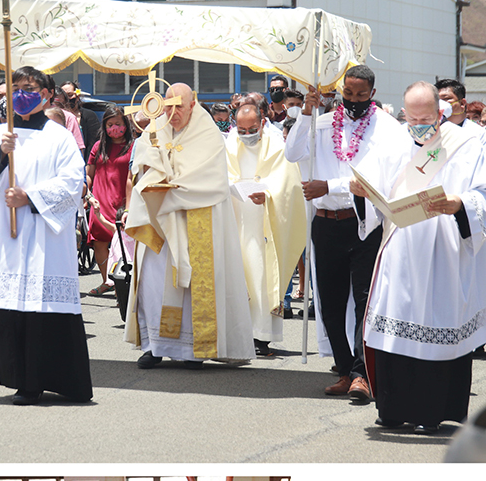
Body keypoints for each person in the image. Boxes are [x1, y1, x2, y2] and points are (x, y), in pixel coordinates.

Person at [0, 65, 92, 406]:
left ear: (47, 95)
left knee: (40, 313)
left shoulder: (58, 136)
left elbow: (71, 183)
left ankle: (55, 381)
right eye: (16, 87)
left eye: (30, 88)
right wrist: (1, 157)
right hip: (5, 235)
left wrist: (30, 198)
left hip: (42, 237)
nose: (22, 94)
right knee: (11, 313)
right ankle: (21, 381)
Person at [359, 81, 486, 432]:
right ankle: (393, 409)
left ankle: (434, 412)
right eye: (412, 118)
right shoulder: (394, 140)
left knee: (439, 323)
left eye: (426, 118)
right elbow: (373, 185)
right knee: (397, 325)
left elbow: (482, 192)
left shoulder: (465, 143)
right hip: (401, 248)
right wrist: (361, 190)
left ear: (440, 112)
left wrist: (459, 204)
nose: (419, 126)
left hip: (445, 248)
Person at [284, 64, 406, 400]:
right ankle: (343, 368)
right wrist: (307, 112)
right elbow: (292, 153)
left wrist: (330, 184)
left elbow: (374, 183)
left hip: (364, 223)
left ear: (373, 94)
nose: (353, 100)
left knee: (365, 302)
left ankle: (362, 374)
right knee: (331, 303)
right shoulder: (322, 123)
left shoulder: (389, 130)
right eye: (348, 94)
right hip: (325, 222)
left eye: (361, 95)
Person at [124, 82, 254, 368]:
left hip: (195, 219)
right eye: (167, 107)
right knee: (154, 284)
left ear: (192, 104)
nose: (172, 113)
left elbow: (212, 182)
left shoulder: (208, 134)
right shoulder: (153, 130)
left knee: (191, 287)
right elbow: (140, 168)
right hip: (159, 222)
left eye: (178, 107)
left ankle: (195, 349)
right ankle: (155, 346)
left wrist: (170, 187)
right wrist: (153, 170)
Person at [226, 103, 306, 356]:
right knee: (237, 277)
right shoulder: (228, 146)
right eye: (241, 129)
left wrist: (269, 196)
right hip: (236, 219)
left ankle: (261, 337)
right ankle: (237, 334)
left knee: (261, 277)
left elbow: (289, 187)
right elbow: (221, 175)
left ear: (262, 124)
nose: (246, 134)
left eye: (251, 128)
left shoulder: (279, 148)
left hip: (264, 226)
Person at [85, 104, 133, 296]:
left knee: (122, 242)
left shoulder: (134, 146)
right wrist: (87, 194)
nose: (114, 128)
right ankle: (107, 281)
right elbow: (89, 174)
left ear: (126, 125)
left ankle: (121, 281)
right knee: (99, 242)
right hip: (100, 200)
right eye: (110, 124)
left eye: (118, 124)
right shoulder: (98, 146)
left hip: (123, 201)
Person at [435, 78, 486, 147]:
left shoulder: (479, 134)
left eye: (445, 99)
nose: (440, 104)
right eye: (437, 100)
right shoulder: (432, 132)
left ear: (462, 103)